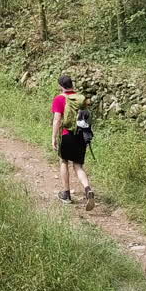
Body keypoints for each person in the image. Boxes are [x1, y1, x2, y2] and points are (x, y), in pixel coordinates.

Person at [51, 74, 94, 209]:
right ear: (72, 85)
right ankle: (87, 189)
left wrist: (53, 137)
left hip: (67, 135)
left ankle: (66, 194)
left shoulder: (59, 99)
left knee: (64, 161)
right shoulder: (80, 99)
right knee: (78, 166)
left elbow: (57, 119)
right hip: (81, 136)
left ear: (60, 86)